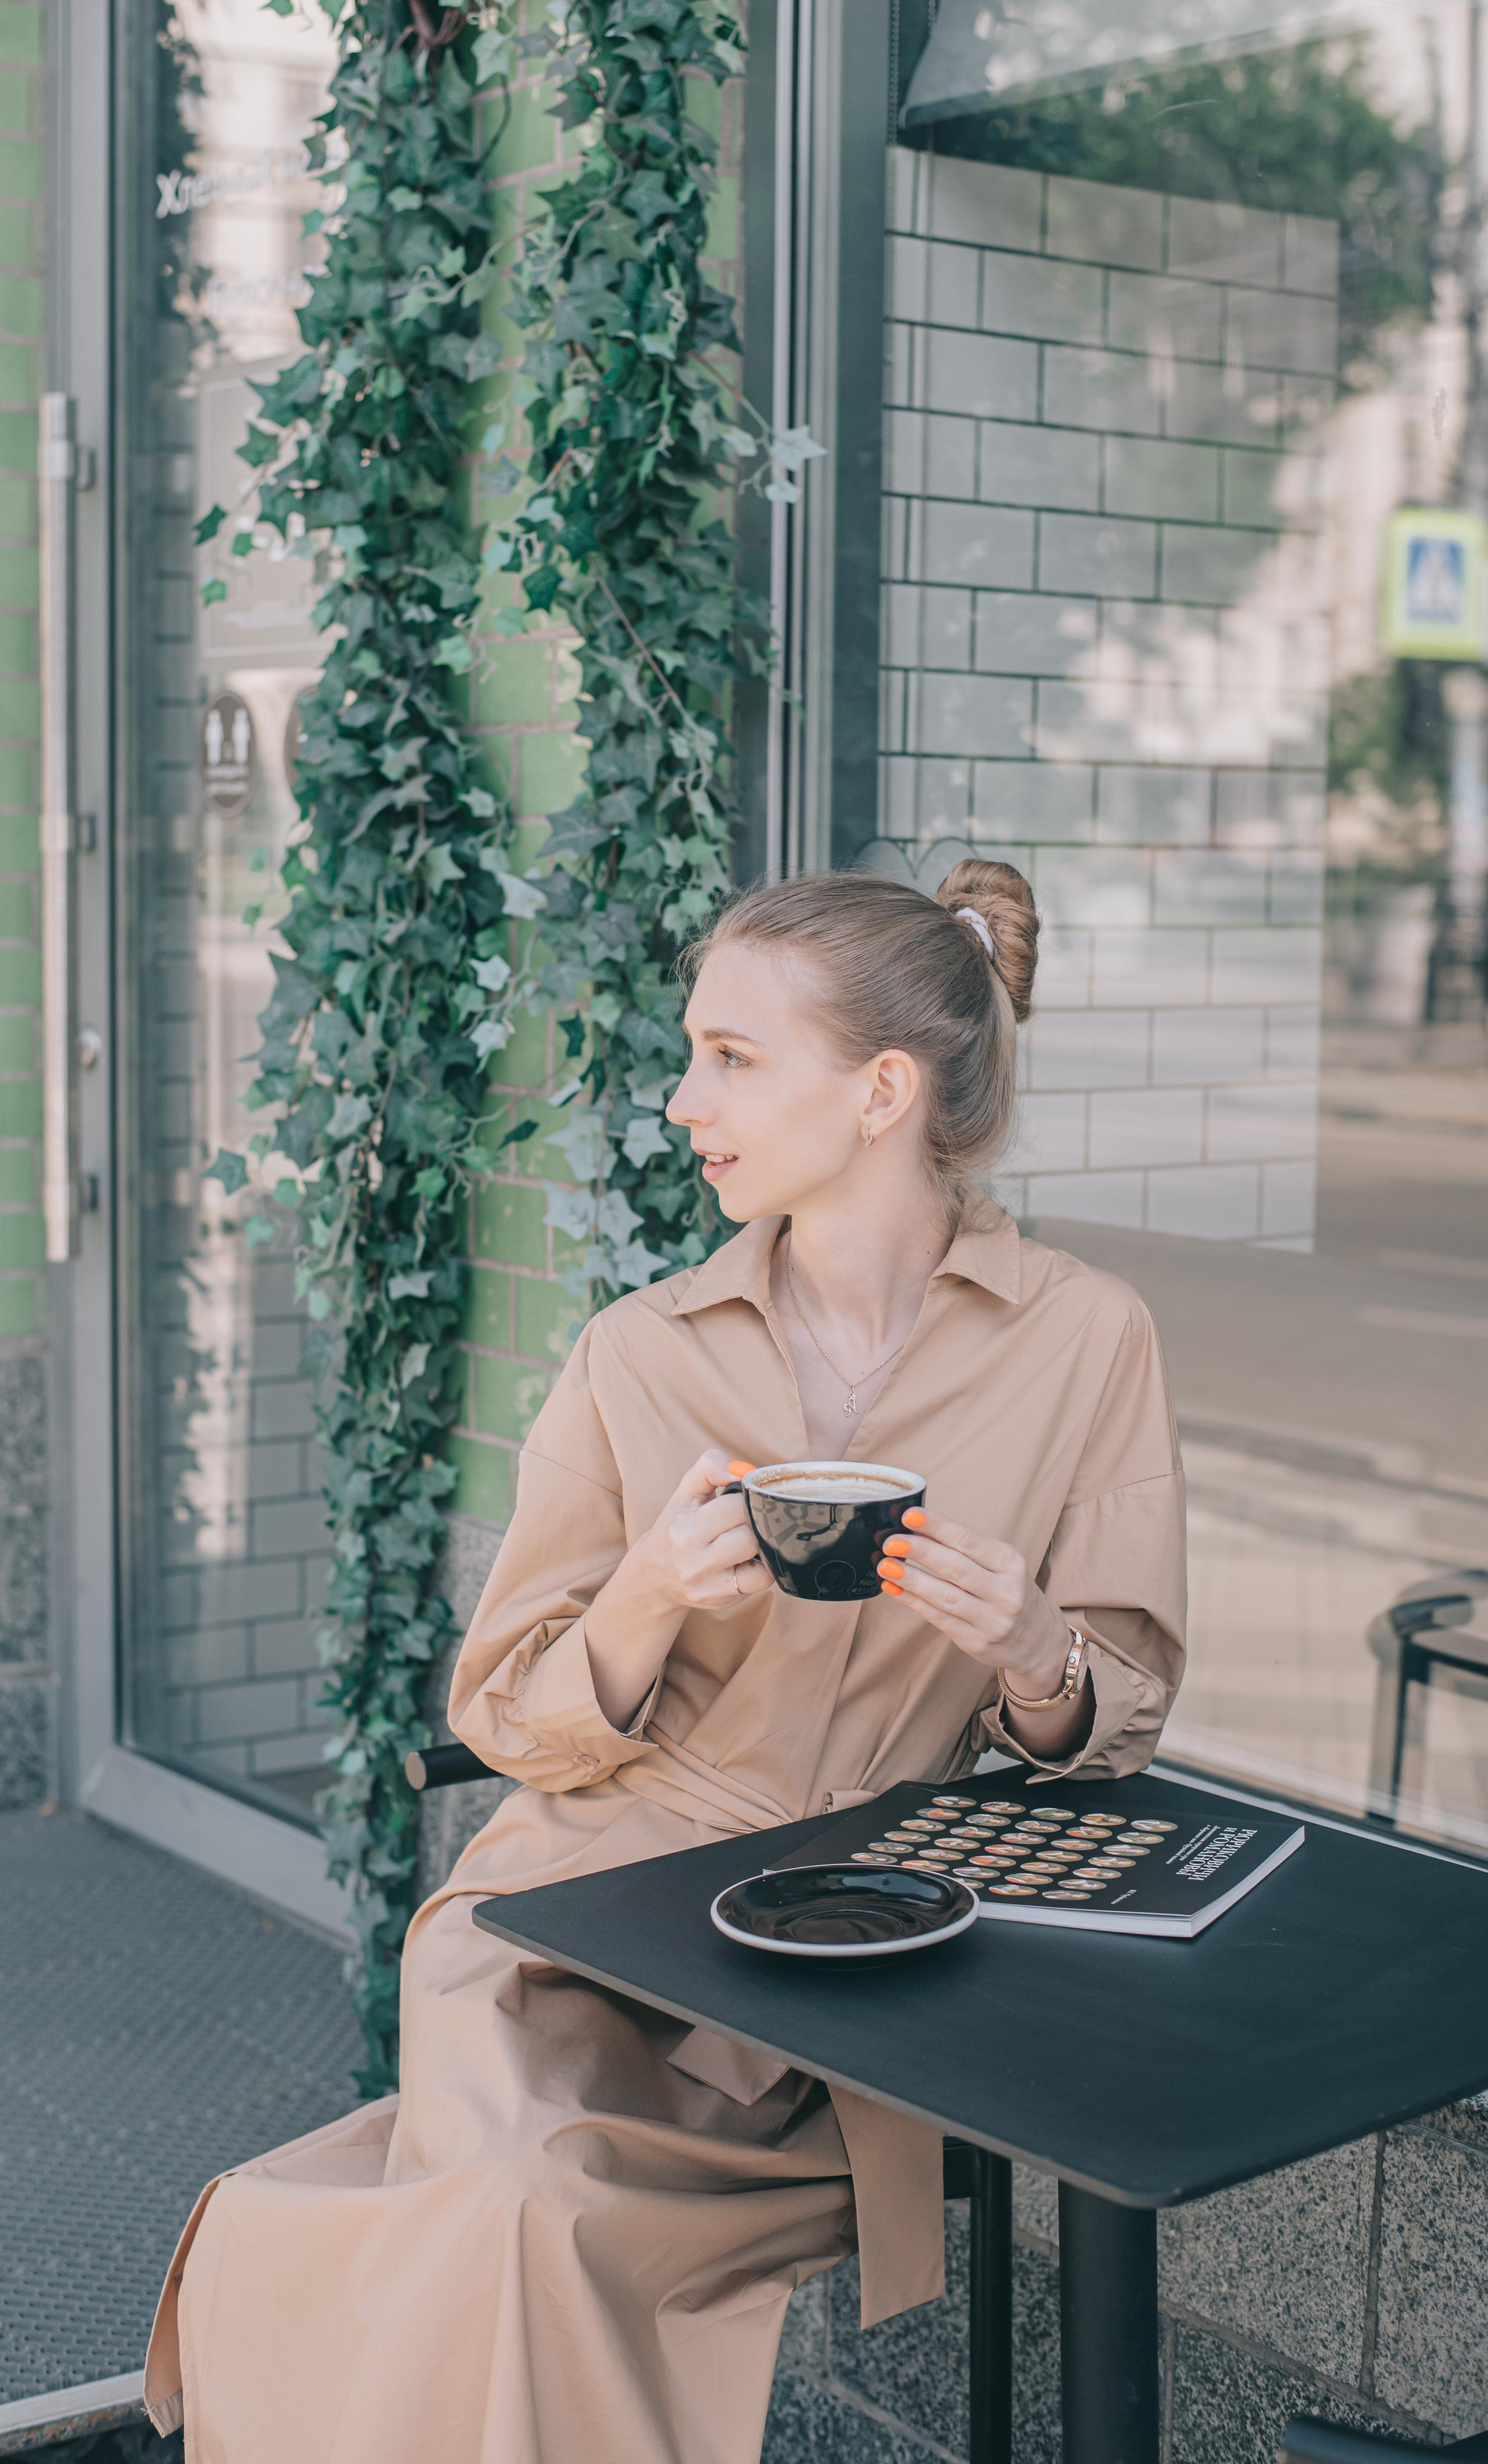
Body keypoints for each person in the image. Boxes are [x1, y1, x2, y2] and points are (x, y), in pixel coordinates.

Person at [144, 859, 1187, 2464]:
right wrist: (640, 1601)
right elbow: (501, 1711)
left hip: (864, 1939)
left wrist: (1027, 1643)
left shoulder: (1084, 1337)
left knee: (508, 2234)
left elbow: (1107, 1720)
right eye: (691, 1052)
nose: (681, 1096)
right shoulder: (638, 1350)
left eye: (730, 1056)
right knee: (519, 2207)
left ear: (880, 1092)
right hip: (576, 1919)